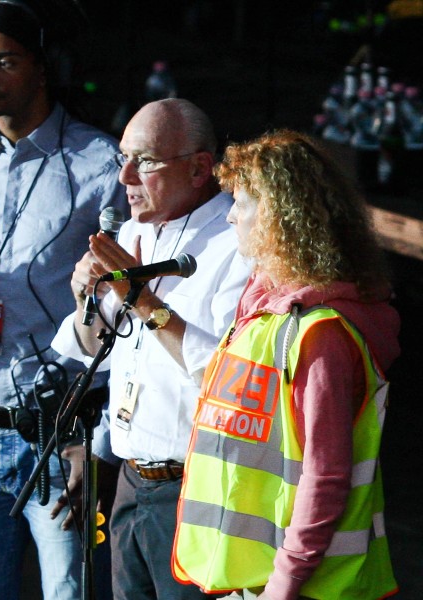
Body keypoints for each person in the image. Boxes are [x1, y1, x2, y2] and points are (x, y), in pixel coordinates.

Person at [0, 1, 128, 598]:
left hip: (61, 434)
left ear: (41, 68)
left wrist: (101, 446)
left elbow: (124, 315)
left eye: (5, 62)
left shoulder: (98, 164)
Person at [172, 129, 401, 600]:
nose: (231, 215)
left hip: (303, 588)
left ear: (280, 217)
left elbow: (326, 476)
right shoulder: (264, 314)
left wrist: (283, 586)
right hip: (251, 581)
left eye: (242, 202)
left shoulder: (321, 336)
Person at [50, 98, 252, 599]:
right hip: (130, 483)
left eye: (145, 161)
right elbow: (90, 347)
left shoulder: (236, 244)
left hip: (196, 489)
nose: (124, 177)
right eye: (124, 157)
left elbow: (226, 375)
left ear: (201, 167)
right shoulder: (136, 232)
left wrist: (143, 302)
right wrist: (86, 298)